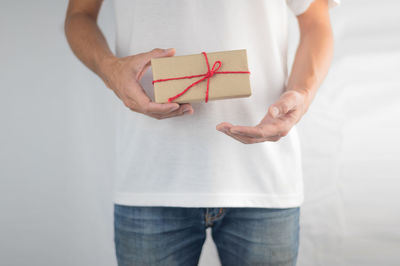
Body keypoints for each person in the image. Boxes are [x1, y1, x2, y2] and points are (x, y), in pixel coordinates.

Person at [64, 0, 338, 265]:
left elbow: (316, 22)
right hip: (149, 176)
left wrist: (302, 93)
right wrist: (110, 70)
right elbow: (79, 14)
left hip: (263, 177)